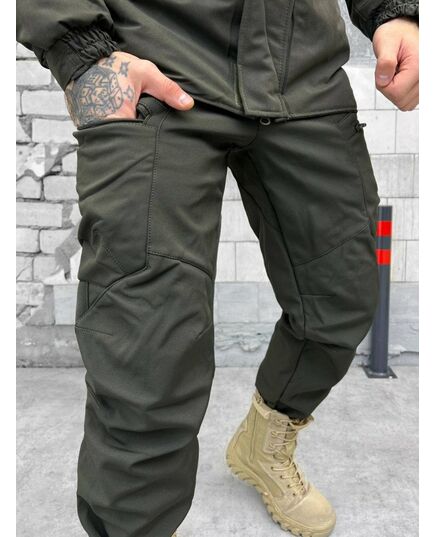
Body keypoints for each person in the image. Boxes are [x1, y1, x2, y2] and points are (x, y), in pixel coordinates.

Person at [16, 1, 419, 536]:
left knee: (342, 299)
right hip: (155, 56)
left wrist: (393, 11)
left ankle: (264, 444)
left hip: (303, 72)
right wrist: (83, 54)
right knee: (148, 349)